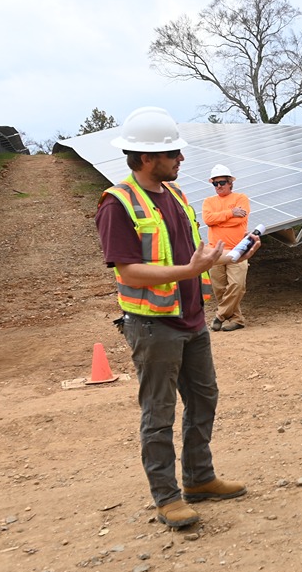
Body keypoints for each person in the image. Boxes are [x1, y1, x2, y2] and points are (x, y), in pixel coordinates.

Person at [95, 107, 255, 529]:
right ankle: (167, 497)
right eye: (173, 153)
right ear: (147, 158)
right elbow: (128, 270)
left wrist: (230, 255)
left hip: (191, 319)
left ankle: (200, 479)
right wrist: (187, 272)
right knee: (159, 412)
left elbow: (194, 253)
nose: (181, 159)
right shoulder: (118, 204)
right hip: (153, 324)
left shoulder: (178, 196)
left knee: (204, 399)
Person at [202, 164, 251, 332]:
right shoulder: (209, 201)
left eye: (222, 182)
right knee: (220, 288)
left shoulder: (240, 198)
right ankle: (237, 319)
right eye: (215, 184)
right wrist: (230, 213)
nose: (219, 186)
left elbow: (240, 220)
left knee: (237, 285)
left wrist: (219, 220)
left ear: (230, 182)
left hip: (238, 250)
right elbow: (208, 219)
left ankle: (220, 316)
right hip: (215, 251)